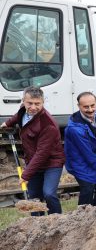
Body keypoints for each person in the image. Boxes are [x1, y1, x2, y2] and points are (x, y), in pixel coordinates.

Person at [0, 86, 64, 215]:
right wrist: (7, 123)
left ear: (43, 103)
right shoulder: (23, 111)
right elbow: (17, 116)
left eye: (37, 104)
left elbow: (42, 154)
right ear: (23, 101)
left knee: (49, 193)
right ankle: (36, 223)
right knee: (34, 196)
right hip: (32, 161)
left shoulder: (48, 124)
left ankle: (57, 220)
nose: (33, 107)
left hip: (51, 163)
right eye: (30, 103)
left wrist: (25, 175)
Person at [64, 92, 96, 206]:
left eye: (92, 105)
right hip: (80, 163)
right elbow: (90, 156)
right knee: (88, 188)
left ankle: (95, 214)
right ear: (79, 106)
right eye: (86, 107)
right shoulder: (75, 129)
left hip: (94, 160)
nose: (90, 109)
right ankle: (81, 218)